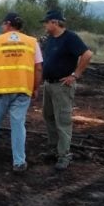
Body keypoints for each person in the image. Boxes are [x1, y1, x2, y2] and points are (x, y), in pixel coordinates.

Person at [0, 12, 43, 173]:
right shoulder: (32, 42)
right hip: (22, 91)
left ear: (8, 24)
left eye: (3, 24)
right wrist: (35, 87)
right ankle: (19, 162)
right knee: (18, 126)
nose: (2, 27)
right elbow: (38, 67)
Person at [40, 9, 93, 170]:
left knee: (62, 120)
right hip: (49, 84)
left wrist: (75, 75)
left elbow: (87, 54)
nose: (45, 25)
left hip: (62, 86)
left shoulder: (70, 38)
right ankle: (54, 148)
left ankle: (64, 154)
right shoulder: (50, 39)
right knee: (48, 116)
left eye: (46, 22)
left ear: (54, 23)